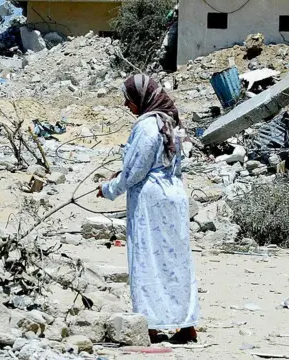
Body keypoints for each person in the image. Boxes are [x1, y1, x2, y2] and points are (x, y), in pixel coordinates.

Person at [97, 74, 199, 344]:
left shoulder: (146, 126)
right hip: (174, 195)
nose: (126, 105)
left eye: (128, 99)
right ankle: (186, 326)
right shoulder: (171, 122)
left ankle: (150, 326)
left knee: (147, 260)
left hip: (151, 201)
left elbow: (135, 172)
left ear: (141, 99)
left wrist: (108, 189)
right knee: (177, 262)